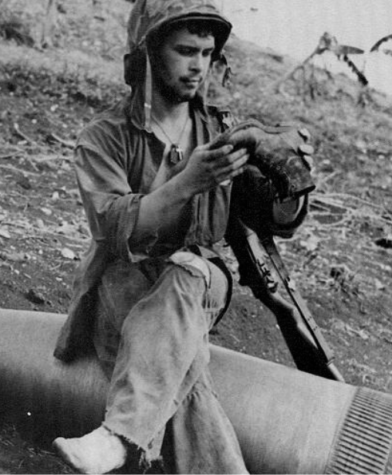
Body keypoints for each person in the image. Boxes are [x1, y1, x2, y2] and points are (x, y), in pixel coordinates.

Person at [51, 0, 306, 472]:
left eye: (207, 53)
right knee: (184, 371)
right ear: (147, 54)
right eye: (185, 51)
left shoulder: (222, 131)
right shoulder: (105, 137)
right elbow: (112, 228)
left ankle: (120, 435)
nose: (198, 66)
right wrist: (187, 182)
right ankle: (135, 438)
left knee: (187, 272)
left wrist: (292, 183)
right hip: (123, 285)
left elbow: (275, 221)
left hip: (201, 281)